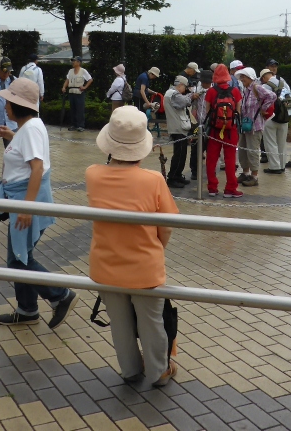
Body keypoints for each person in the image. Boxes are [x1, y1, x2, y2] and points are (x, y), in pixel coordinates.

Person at [86, 107, 181, 386]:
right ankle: (159, 372)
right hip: (144, 267)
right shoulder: (153, 180)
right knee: (151, 322)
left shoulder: (92, 174)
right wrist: (155, 247)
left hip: (105, 265)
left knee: (120, 322)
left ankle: (130, 370)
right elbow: (167, 226)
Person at [0, 78, 77, 327]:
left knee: (18, 260)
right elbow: (27, 154)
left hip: (26, 200)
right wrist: (12, 136)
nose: (5, 106)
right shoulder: (29, 126)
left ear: (18, 105)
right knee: (21, 257)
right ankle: (27, 309)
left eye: (9, 102)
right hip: (24, 199)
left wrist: (27, 207)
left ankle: (61, 295)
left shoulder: (29, 129)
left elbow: (36, 168)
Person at [203, 64, 244, 197]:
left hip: (214, 130)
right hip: (231, 130)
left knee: (211, 159)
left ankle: (212, 188)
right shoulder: (235, 91)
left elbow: (207, 111)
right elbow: (238, 111)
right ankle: (230, 189)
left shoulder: (211, 91)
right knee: (230, 159)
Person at [235, 67, 276, 188]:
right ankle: (245, 173)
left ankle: (254, 176)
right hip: (245, 125)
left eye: (243, 77)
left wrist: (263, 108)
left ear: (250, 77)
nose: (242, 79)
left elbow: (272, 96)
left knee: (252, 151)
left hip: (255, 126)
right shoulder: (246, 89)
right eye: (241, 77)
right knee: (243, 150)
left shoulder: (256, 87)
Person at [163, 75, 194, 188]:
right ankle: (172, 177)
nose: (185, 90)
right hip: (178, 128)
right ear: (180, 85)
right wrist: (192, 95)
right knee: (179, 154)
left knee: (181, 153)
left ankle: (177, 175)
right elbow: (185, 102)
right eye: (185, 87)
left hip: (178, 127)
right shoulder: (174, 94)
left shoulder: (170, 93)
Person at [262, 66, 291, 174]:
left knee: (271, 142)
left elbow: (261, 102)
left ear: (264, 77)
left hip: (271, 117)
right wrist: (290, 116)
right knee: (282, 143)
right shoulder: (284, 83)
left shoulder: (264, 86)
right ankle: (282, 165)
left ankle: (275, 167)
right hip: (285, 117)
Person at [188, 68, 213, 180]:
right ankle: (194, 171)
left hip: (210, 124)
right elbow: (188, 100)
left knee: (211, 149)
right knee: (196, 148)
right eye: (203, 82)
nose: (205, 84)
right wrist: (192, 96)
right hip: (198, 123)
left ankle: (210, 170)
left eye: (207, 83)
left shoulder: (214, 90)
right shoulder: (196, 89)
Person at [62, 56, 92, 131]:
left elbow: (90, 79)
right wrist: (64, 87)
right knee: (73, 109)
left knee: (80, 109)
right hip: (71, 92)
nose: (72, 62)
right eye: (72, 61)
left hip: (79, 92)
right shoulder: (70, 71)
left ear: (79, 62)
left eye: (74, 61)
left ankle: (81, 125)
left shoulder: (83, 71)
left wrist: (85, 87)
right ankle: (74, 125)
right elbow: (67, 80)